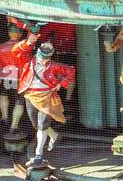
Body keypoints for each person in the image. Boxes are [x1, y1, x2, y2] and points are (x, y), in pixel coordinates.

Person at [13, 33, 76, 169]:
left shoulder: (54, 65)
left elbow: (71, 71)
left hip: (47, 97)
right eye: (41, 57)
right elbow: (16, 52)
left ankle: (38, 154)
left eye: (46, 58)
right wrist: (28, 42)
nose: (43, 61)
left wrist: (61, 84)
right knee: (36, 124)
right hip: (30, 96)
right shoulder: (28, 62)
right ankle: (54, 135)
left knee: (42, 125)